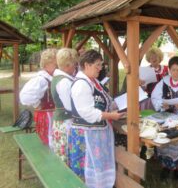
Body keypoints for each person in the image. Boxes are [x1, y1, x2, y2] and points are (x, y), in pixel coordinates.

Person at [68, 50, 124, 188]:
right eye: (97, 65)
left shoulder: (93, 81)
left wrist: (117, 106)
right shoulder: (81, 84)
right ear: (86, 65)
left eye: (101, 65)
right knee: (88, 167)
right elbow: (88, 113)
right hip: (86, 134)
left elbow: (106, 100)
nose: (100, 68)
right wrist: (111, 116)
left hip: (97, 132)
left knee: (98, 164)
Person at [20, 48, 57, 146]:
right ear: (46, 64)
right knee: (48, 141)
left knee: (53, 140)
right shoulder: (41, 79)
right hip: (46, 116)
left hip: (52, 115)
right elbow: (25, 96)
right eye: (54, 63)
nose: (57, 66)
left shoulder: (52, 77)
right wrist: (38, 104)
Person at [51, 48, 78, 163]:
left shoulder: (59, 78)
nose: (75, 67)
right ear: (68, 65)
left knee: (63, 154)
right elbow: (69, 106)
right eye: (74, 64)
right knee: (65, 155)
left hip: (61, 121)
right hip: (65, 122)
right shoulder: (64, 82)